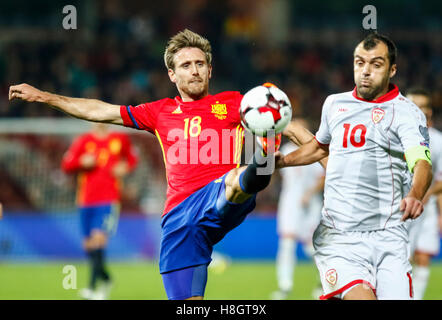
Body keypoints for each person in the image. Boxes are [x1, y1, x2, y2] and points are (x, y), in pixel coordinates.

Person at [9, 29, 280, 300]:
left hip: (217, 195)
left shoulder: (234, 102)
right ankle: (101, 277)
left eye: (200, 64)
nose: (195, 70)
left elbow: (284, 122)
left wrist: (319, 145)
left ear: (210, 69)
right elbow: (100, 110)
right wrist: (45, 96)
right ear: (172, 75)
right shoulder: (159, 111)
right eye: (186, 65)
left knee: (235, 181)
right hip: (178, 218)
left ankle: (262, 162)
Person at [277, 33, 433, 300]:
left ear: (392, 69)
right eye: (360, 63)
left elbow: (421, 162)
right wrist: (282, 162)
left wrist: (416, 194)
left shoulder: (407, 113)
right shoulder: (334, 104)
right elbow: (320, 147)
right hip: (340, 236)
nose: (365, 72)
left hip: (388, 236)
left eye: (376, 64)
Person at [61, 123, 138, 300]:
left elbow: (133, 159)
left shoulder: (120, 139)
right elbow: (66, 165)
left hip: (108, 200)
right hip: (85, 200)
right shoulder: (83, 141)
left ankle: (91, 288)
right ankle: (107, 278)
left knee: (98, 240)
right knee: (88, 246)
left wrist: (125, 167)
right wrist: (81, 162)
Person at [270, 119, 325, 300]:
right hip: (289, 203)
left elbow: (324, 176)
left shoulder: (316, 151)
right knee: (287, 243)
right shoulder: (285, 150)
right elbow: (280, 174)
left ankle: (323, 282)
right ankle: (284, 287)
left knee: (313, 247)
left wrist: (309, 193)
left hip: (311, 204)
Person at [405, 88, 442, 300]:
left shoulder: (437, 141)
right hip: (393, 208)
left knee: (421, 256)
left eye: (422, 106)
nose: (419, 110)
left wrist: (437, 210)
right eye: (413, 105)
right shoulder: (393, 136)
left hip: (422, 210)